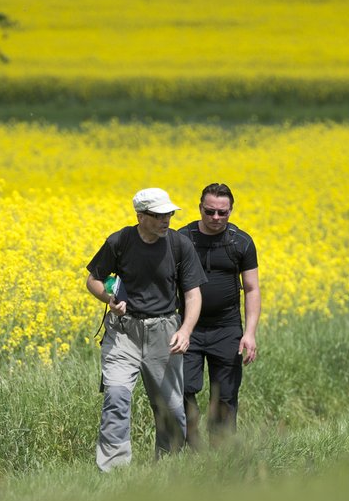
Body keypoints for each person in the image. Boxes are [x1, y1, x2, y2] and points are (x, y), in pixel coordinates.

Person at [86, 188, 207, 471]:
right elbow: (93, 280)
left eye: (169, 214)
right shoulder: (120, 241)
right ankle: (114, 471)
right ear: (140, 216)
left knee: (172, 409)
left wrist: (186, 331)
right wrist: (110, 300)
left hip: (164, 333)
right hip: (123, 333)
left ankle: (168, 467)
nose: (166, 220)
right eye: (159, 215)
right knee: (116, 397)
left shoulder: (180, 245)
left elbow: (192, 294)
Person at [177, 183, 260, 448]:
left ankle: (221, 454)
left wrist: (249, 333)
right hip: (188, 328)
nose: (215, 218)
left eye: (222, 213)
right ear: (200, 208)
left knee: (225, 395)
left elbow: (252, 288)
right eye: (210, 211)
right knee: (184, 389)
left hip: (226, 328)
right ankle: (191, 446)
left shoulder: (241, 242)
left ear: (230, 210)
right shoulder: (182, 238)